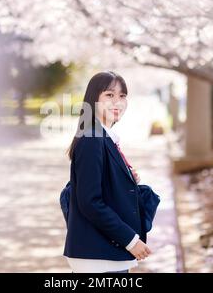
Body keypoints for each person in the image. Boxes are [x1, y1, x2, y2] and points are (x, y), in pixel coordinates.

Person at [63, 71, 152, 273]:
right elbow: (90, 201)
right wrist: (130, 241)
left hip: (105, 253)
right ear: (94, 99)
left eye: (122, 96)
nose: (117, 102)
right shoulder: (92, 138)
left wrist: (125, 179)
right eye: (109, 95)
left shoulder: (103, 136)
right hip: (98, 255)